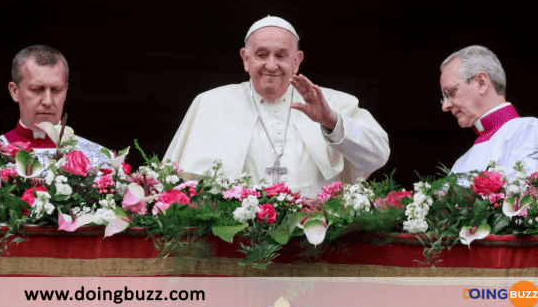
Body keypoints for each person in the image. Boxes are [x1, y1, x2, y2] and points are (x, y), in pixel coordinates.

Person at [164, 16, 390, 197]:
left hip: (317, 239)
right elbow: (176, 184)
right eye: (262, 54)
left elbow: (378, 156)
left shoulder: (332, 103)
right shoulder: (211, 103)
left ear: (296, 60)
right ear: (245, 58)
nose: (271, 65)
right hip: (237, 241)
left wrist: (330, 120)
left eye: (281, 55)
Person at [440, 45, 538, 185]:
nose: (445, 106)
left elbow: (536, 201)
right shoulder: (460, 163)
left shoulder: (528, 129)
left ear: (481, 82)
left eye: (450, 92)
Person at [1, 45, 108, 165]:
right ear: (15, 91)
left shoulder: (100, 160)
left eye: (56, 90)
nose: (48, 101)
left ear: (65, 91)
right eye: (37, 89)